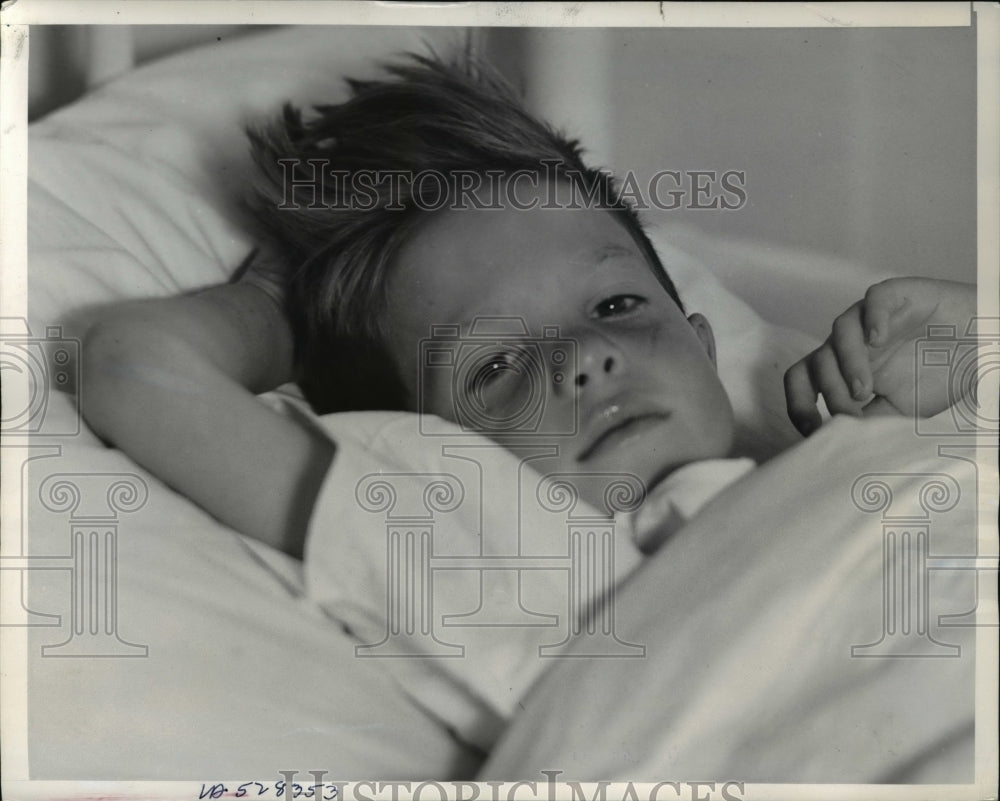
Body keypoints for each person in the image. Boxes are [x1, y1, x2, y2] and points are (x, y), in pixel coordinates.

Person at [80, 52, 976, 564]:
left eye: (616, 303)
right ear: (418, 446)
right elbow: (135, 366)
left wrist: (971, 351)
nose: (585, 355)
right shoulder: (469, 556)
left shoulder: (849, 450)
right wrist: (293, 299)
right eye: (496, 365)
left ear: (701, 344)